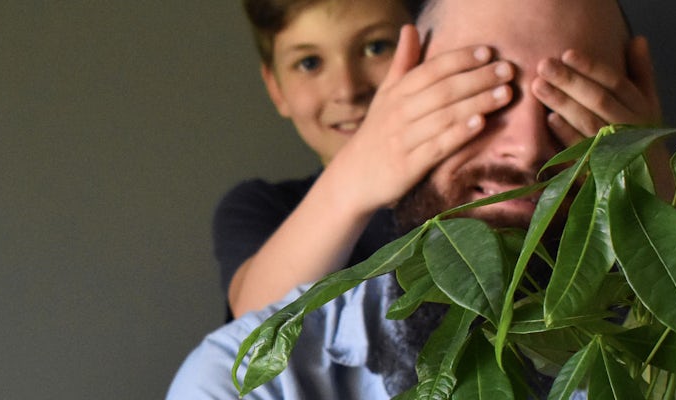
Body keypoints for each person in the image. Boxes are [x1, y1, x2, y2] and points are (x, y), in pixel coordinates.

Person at [169, 0, 676, 398]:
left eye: (569, 103)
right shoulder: (243, 377)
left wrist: (652, 186)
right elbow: (260, 328)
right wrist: (362, 169)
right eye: (486, 91)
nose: (527, 148)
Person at [218, 0, 522, 320]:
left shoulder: (482, 179)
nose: (347, 89)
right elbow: (253, 324)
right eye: (309, 63)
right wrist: (358, 170)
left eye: (376, 47)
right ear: (276, 88)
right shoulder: (259, 207)